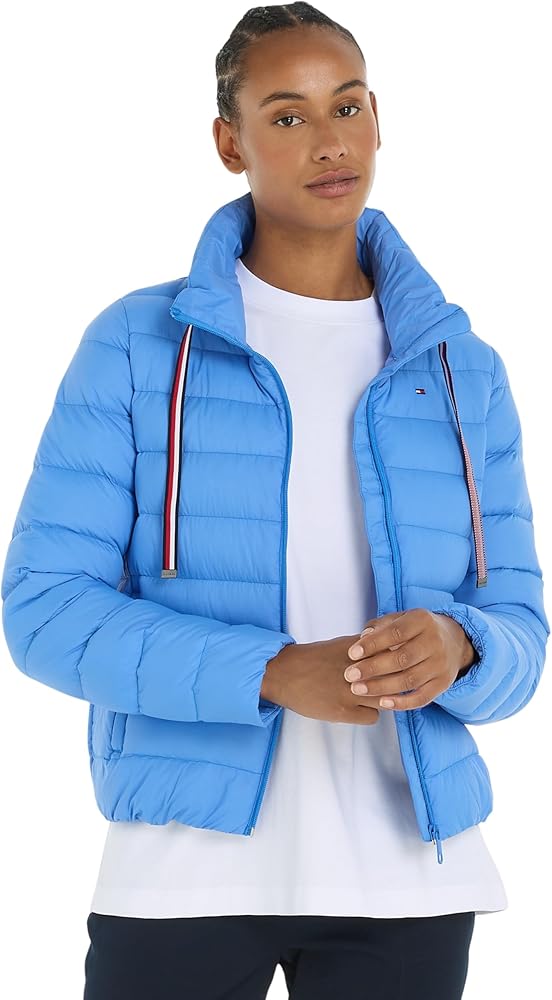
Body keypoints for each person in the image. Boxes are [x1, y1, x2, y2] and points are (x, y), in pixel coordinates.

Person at [1, 4, 548, 999]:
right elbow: (43, 612)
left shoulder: (462, 370)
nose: (329, 140)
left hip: (410, 875)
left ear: (378, 121)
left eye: (347, 106)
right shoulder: (136, 345)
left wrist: (462, 647)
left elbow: (521, 629)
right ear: (230, 143)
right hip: (181, 869)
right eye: (287, 115)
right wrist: (271, 671)